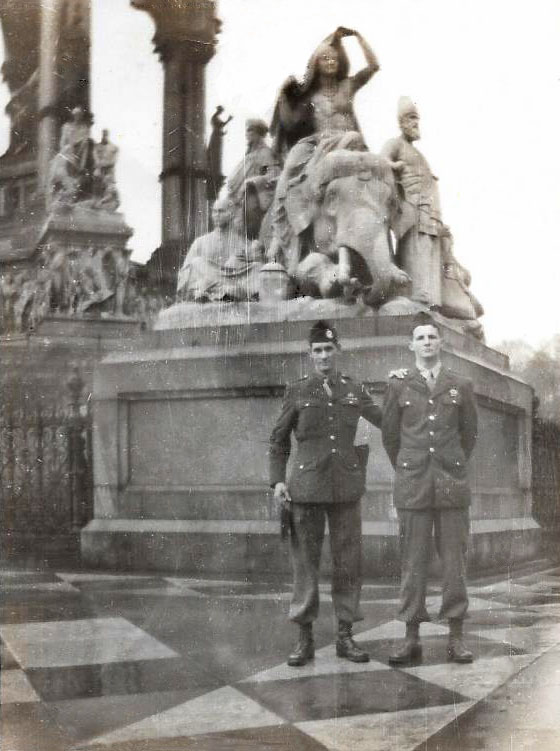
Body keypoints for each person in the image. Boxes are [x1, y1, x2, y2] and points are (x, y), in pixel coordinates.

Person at [269, 320, 382, 666]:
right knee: (306, 565)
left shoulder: (354, 389)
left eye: (328, 349)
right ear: (310, 355)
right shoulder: (298, 391)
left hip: (346, 489)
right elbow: (277, 441)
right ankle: (304, 638)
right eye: (317, 350)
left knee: (348, 564)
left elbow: (385, 420)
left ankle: (345, 636)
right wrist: (278, 482)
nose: (323, 356)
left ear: (338, 352)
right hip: (305, 490)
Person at [381, 313, 478, 664]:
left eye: (432, 337)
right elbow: (390, 437)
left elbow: (469, 435)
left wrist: (449, 464)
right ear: (411, 345)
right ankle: (411, 636)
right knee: (412, 562)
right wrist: (411, 467)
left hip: (451, 485)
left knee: (455, 563)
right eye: (420, 338)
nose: (426, 343)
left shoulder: (460, 385)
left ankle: (456, 637)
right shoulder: (398, 385)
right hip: (413, 485)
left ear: (440, 343)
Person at [268, 27, 380, 274]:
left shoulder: (348, 85)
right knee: (287, 176)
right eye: (325, 58)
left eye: (334, 58)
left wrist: (360, 37)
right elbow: (289, 123)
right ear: (317, 64)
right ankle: (279, 233)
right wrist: (283, 95)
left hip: (348, 141)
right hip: (319, 144)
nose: (330, 62)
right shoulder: (311, 95)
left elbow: (373, 66)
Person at [380, 98, 444, 307]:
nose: (416, 123)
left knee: (428, 250)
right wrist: (393, 165)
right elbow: (380, 161)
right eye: (411, 118)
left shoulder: (418, 152)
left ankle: (430, 298)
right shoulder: (395, 143)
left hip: (430, 212)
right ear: (401, 122)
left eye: (417, 118)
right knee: (414, 250)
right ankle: (416, 294)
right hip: (412, 209)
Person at [176, 196, 263, 302]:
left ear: (231, 214)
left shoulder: (245, 243)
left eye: (221, 211)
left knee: (258, 267)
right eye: (214, 212)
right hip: (210, 278)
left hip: (235, 280)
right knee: (196, 262)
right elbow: (185, 274)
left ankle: (223, 291)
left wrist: (253, 257)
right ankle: (222, 291)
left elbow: (254, 267)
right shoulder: (200, 242)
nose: (216, 215)